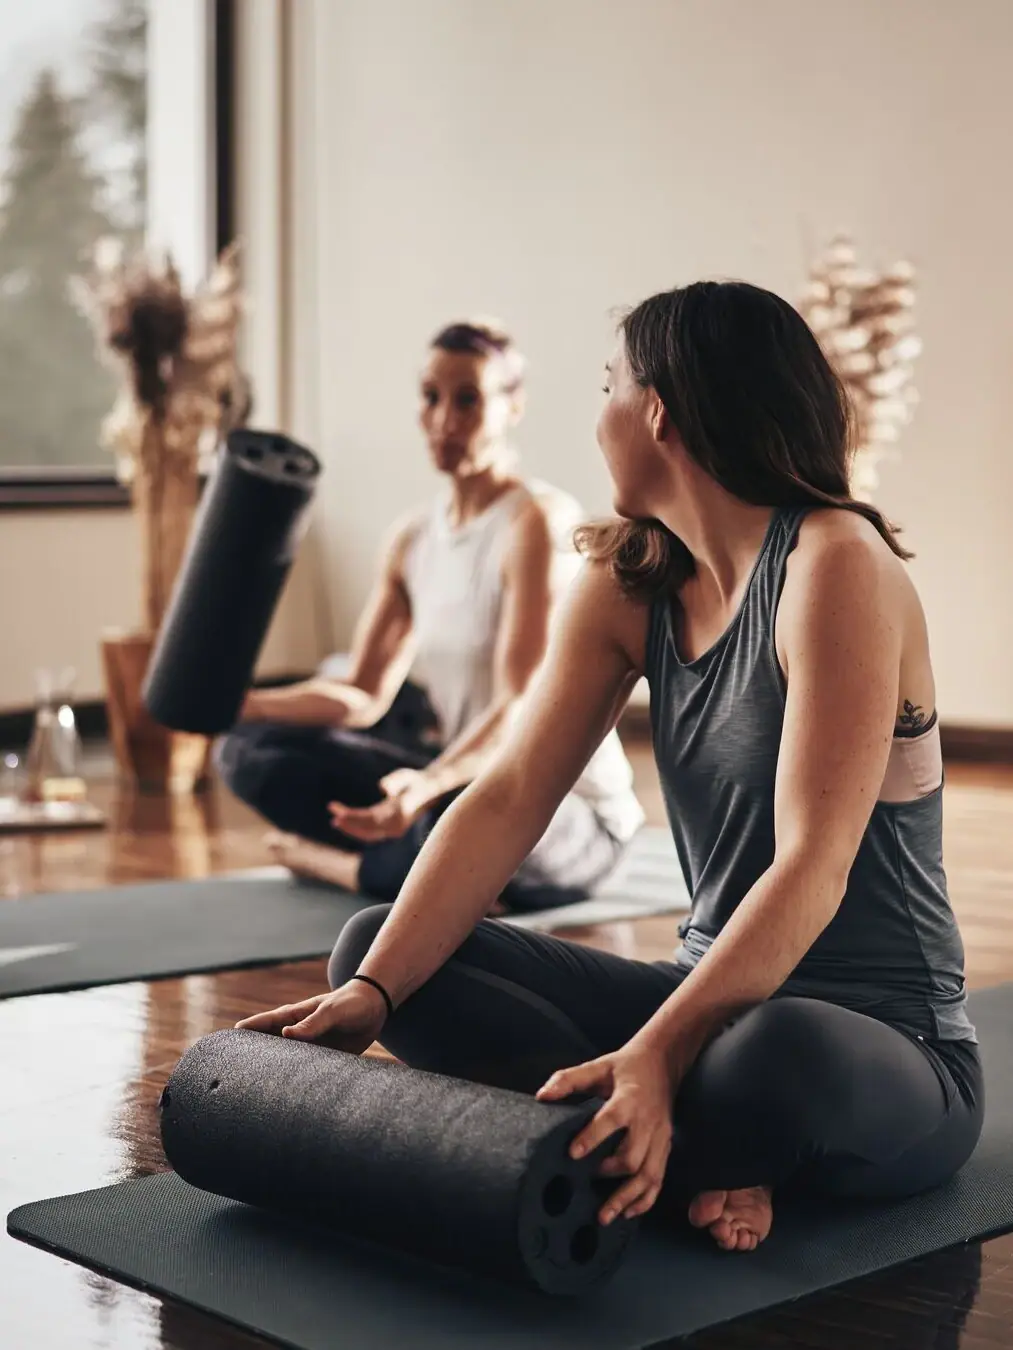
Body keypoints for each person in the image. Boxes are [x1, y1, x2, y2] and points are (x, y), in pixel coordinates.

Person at [238, 281, 982, 1254]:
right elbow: (505, 797)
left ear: (659, 409)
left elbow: (812, 864)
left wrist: (654, 1055)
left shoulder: (834, 565)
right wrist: (372, 996)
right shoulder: (629, 579)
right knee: (379, 947)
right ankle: (701, 1151)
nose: (597, 420)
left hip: (880, 1042)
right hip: (698, 1000)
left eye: (607, 386)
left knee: (773, 1054)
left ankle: (669, 1127)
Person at [217, 318, 644, 911]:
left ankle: (338, 865)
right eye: (431, 397)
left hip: (565, 808)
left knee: (458, 823)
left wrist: (426, 784)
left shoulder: (536, 524)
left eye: (468, 400)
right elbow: (363, 692)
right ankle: (415, 862)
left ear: (512, 407)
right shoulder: (411, 538)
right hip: (463, 777)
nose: (445, 419)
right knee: (247, 750)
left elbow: (521, 704)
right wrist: (238, 705)